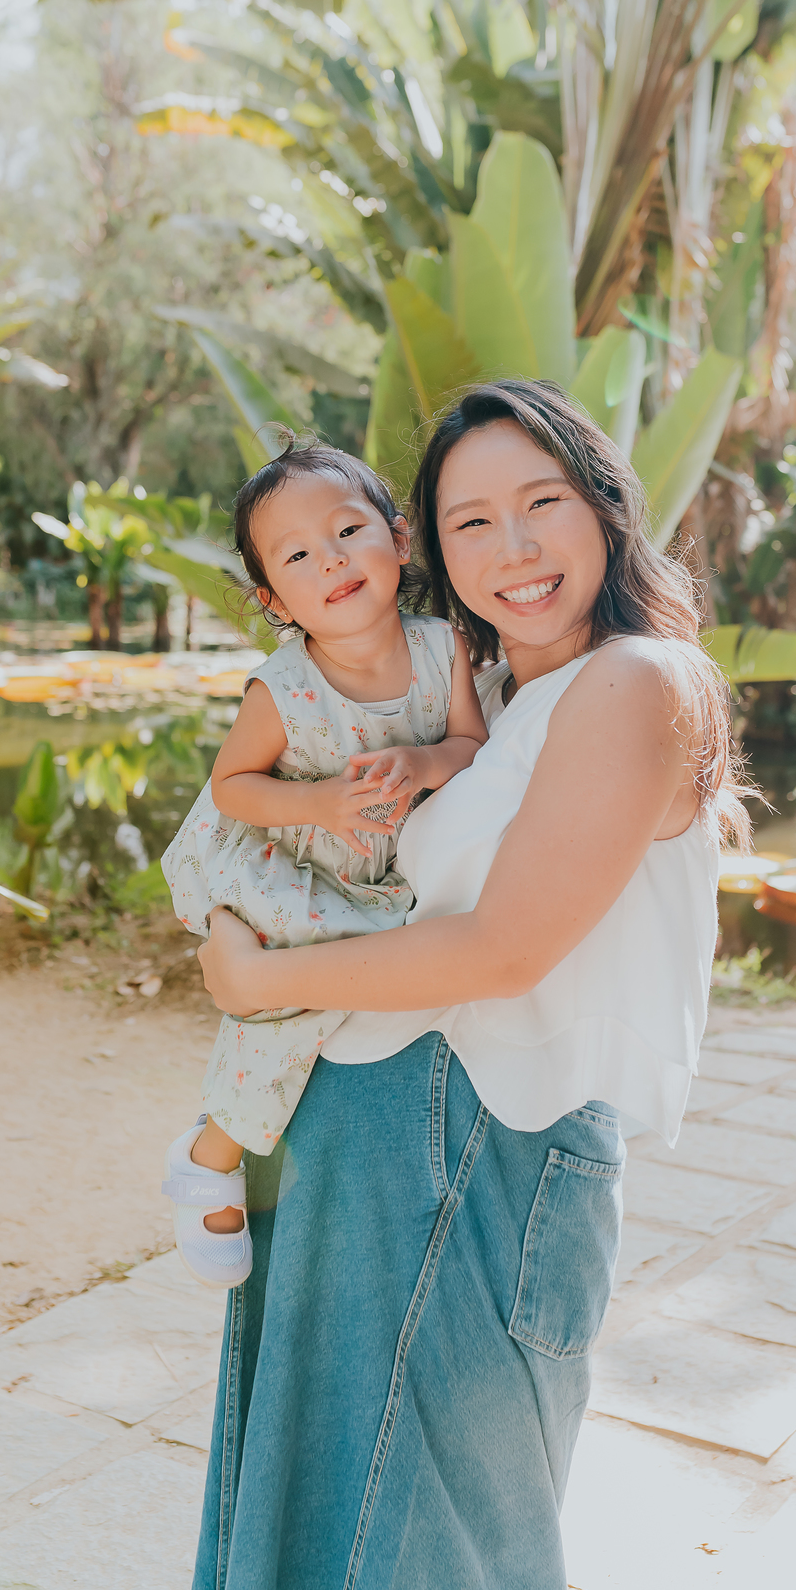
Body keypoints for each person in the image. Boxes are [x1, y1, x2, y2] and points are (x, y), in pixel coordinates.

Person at [186, 380, 751, 1590]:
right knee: (316, 1536)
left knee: (434, 1565)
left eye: (541, 502)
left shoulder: (637, 682)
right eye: (472, 522)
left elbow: (499, 949)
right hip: (360, 1157)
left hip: (477, 1160)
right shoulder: (488, 698)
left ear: (603, 506)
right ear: (433, 551)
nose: (514, 548)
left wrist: (262, 980)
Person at [159, 441, 486, 1290]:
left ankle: (215, 1143)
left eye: (348, 530)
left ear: (400, 538)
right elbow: (233, 788)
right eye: (299, 555)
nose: (332, 559)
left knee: (343, 972)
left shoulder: (442, 649)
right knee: (315, 975)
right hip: (279, 863)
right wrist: (317, 803)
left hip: (370, 875)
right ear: (273, 597)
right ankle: (211, 1151)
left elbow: (467, 745)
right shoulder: (285, 687)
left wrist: (421, 766)